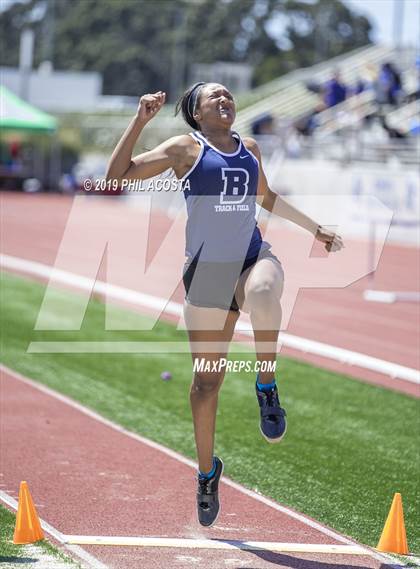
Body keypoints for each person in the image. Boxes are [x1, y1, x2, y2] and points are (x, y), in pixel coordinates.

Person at [106, 82, 343, 527]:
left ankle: (266, 387)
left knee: (262, 293)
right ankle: (206, 473)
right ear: (196, 111)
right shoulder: (183, 148)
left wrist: (316, 229)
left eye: (229, 94)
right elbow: (116, 175)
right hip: (207, 275)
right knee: (205, 386)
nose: (225, 99)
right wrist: (140, 121)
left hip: (251, 258)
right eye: (214, 96)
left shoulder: (249, 147)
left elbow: (266, 198)